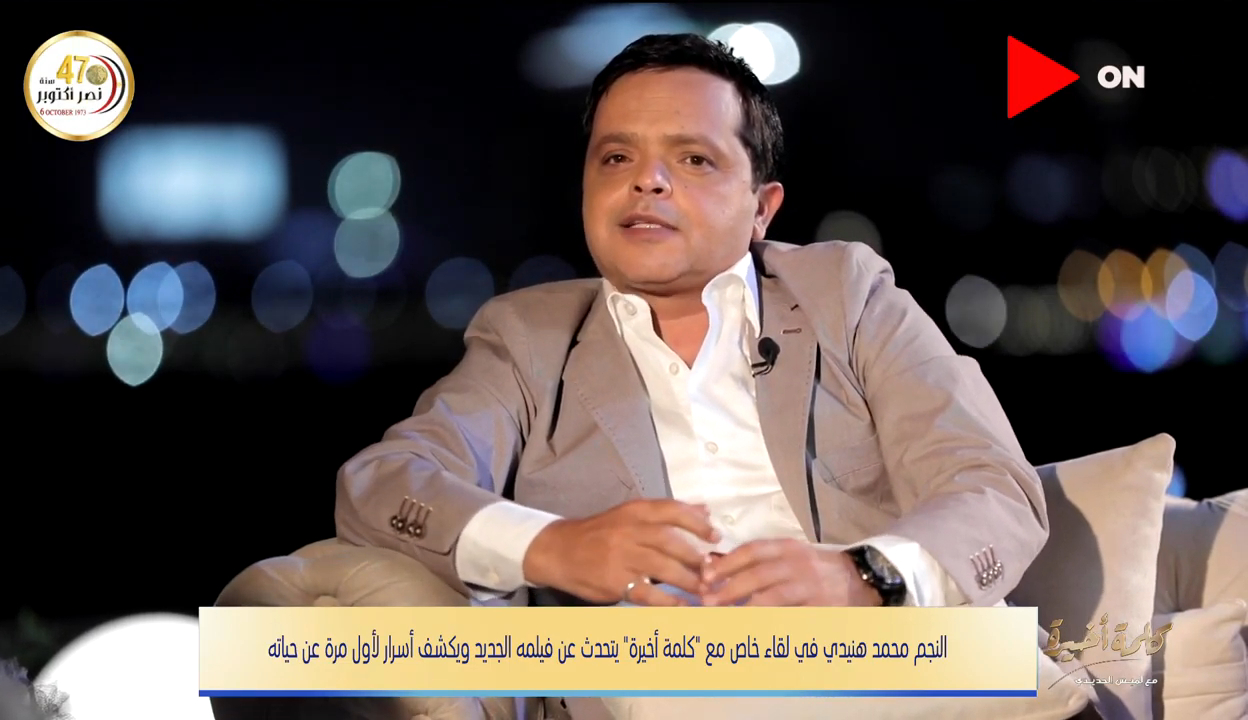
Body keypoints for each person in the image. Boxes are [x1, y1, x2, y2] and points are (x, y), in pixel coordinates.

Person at [336, 32, 1047, 717]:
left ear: (761, 208)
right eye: (616, 157)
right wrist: (552, 546)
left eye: (695, 159)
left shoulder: (847, 295)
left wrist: (862, 577)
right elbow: (383, 484)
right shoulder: (528, 340)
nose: (646, 180)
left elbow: (995, 489)